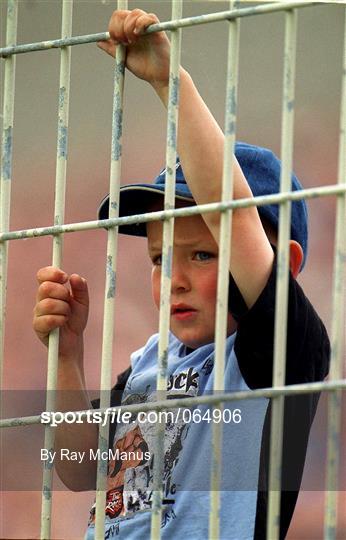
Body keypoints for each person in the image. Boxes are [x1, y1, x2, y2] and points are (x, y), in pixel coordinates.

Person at [32, 9, 330, 540]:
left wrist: (172, 85)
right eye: (160, 259)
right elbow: (80, 468)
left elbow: (232, 212)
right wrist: (68, 358)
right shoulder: (151, 363)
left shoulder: (276, 354)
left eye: (202, 256)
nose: (174, 279)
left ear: (281, 264)